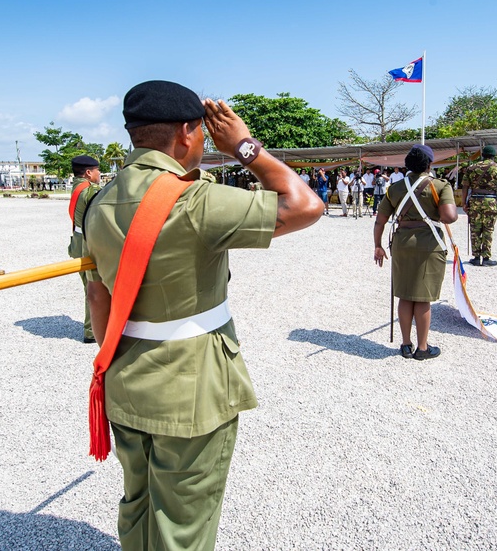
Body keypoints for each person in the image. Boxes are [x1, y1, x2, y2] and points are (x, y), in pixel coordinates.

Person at [82, 81, 322, 550]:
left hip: (125, 376)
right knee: (183, 524)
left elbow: (97, 298)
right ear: (187, 132)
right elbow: (305, 205)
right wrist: (244, 147)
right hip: (190, 386)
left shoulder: (96, 201)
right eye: (206, 137)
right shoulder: (195, 201)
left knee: (138, 504)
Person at [373, 144, 457, 360]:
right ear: (429, 164)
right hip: (429, 245)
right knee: (422, 298)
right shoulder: (440, 185)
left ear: (407, 165)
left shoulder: (395, 188)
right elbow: (449, 217)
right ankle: (422, 348)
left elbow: (380, 221)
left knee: (405, 295)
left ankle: (405, 344)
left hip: (401, 244)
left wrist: (378, 246)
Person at [68, 154, 102, 343]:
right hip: (89, 245)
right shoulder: (90, 190)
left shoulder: (77, 187)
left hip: (79, 243)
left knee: (90, 288)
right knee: (95, 288)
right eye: (98, 171)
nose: (99, 174)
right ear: (89, 173)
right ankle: (92, 331)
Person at [460, 145, 497, 265]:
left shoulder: (471, 168)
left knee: (475, 229)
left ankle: (476, 258)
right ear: (493, 156)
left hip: (475, 200)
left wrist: (463, 203)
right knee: (488, 229)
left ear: (482, 155)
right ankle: (486, 258)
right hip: (491, 201)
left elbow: (465, 187)